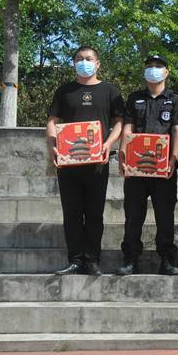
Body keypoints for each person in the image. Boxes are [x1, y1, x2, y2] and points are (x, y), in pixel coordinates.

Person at [47, 46, 124, 276]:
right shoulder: (65, 91)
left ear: (98, 64)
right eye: (79, 59)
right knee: (71, 213)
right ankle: (75, 259)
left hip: (97, 163)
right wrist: (53, 145)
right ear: (73, 63)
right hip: (68, 162)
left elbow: (119, 122)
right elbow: (52, 120)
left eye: (89, 59)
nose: (84, 62)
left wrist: (109, 143)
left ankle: (92, 260)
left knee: (94, 213)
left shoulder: (110, 91)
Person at [116, 54, 178, 276]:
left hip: (164, 168)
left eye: (158, 66)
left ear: (166, 72)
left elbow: (177, 130)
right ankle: (130, 259)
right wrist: (123, 154)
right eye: (149, 66)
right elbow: (127, 128)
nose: (153, 69)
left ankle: (167, 259)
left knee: (165, 216)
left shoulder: (175, 100)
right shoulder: (134, 98)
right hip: (136, 167)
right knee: (133, 215)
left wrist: (174, 159)